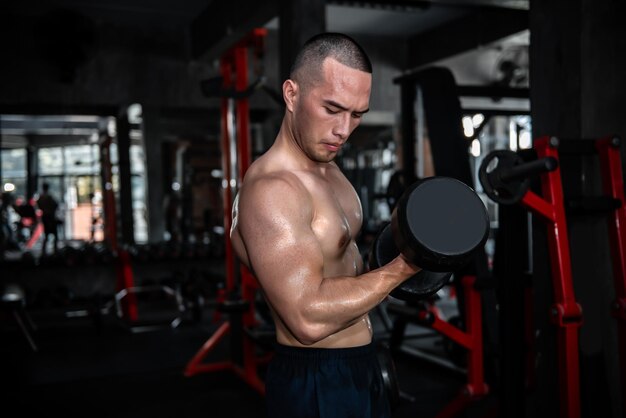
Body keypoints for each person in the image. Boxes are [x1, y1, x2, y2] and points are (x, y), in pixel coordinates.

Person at [230, 33, 421, 418]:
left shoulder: (329, 170)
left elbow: (345, 267)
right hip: (317, 377)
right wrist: (406, 266)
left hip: (361, 363)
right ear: (291, 94)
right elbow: (308, 318)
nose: (344, 130)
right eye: (332, 108)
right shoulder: (273, 189)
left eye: (357, 114)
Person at [36, 183, 59, 255]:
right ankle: (55, 251)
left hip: (45, 217)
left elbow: (38, 206)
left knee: (46, 235)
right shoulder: (49, 197)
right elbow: (56, 205)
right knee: (55, 235)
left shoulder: (40, 197)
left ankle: (44, 252)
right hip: (50, 218)